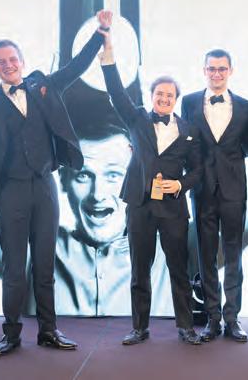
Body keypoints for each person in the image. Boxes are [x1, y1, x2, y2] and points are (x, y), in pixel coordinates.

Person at [0, 10, 112, 356]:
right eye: (1, 62)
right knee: (14, 268)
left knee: (44, 266)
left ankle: (48, 331)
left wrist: (101, 32)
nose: (8, 65)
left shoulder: (43, 85)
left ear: (22, 62)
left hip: (44, 187)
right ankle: (11, 334)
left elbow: (76, 67)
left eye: (13, 59)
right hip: (9, 191)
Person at [0, 102, 174, 317]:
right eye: (83, 176)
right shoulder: (35, 248)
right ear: (64, 183)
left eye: (113, 175)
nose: (98, 194)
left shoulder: (170, 247)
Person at [99, 17, 204, 345]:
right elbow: (116, 92)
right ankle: (139, 327)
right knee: (139, 271)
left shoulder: (188, 130)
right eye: (160, 94)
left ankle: (186, 327)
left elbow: (199, 170)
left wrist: (181, 185)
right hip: (140, 206)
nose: (164, 98)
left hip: (173, 209)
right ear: (152, 95)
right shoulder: (136, 118)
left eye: (170, 95)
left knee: (179, 269)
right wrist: (108, 51)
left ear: (176, 99)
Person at [180, 49, 248, 342]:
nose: (217, 73)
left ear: (231, 71)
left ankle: (232, 317)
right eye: (212, 69)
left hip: (234, 189)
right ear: (204, 70)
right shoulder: (188, 102)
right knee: (206, 256)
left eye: (222, 69)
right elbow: (181, 140)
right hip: (202, 189)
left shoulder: (246, 106)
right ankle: (213, 317)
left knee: (234, 255)